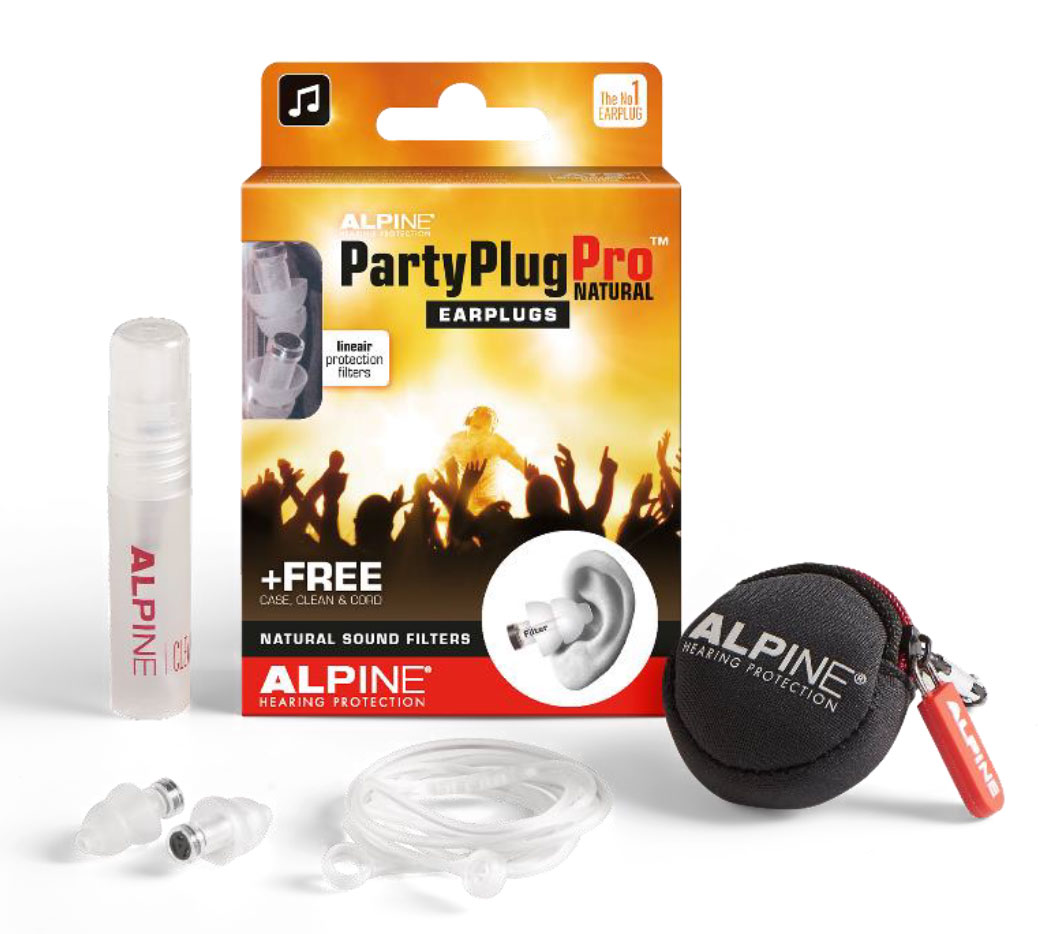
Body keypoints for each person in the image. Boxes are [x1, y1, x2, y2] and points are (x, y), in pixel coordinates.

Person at [438, 406, 528, 512]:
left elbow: (520, 464)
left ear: (491, 431)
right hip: (466, 504)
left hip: (491, 503)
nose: (477, 434)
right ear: (468, 422)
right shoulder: (456, 440)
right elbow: (437, 465)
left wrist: (533, 479)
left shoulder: (498, 443)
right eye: (475, 427)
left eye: (482, 431)